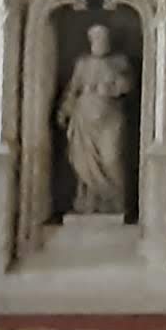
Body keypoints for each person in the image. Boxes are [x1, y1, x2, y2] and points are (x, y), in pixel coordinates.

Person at [58, 23, 135, 217]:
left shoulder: (119, 62)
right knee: (84, 164)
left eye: (103, 38)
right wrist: (65, 110)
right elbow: (73, 89)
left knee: (111, 158)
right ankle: (88, 201)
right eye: (97, 38)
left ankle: (115, 202)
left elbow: (127, 86)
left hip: (110, 119)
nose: (100, 42)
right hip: (84, 118)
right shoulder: (82, 64)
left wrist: (111, 86)